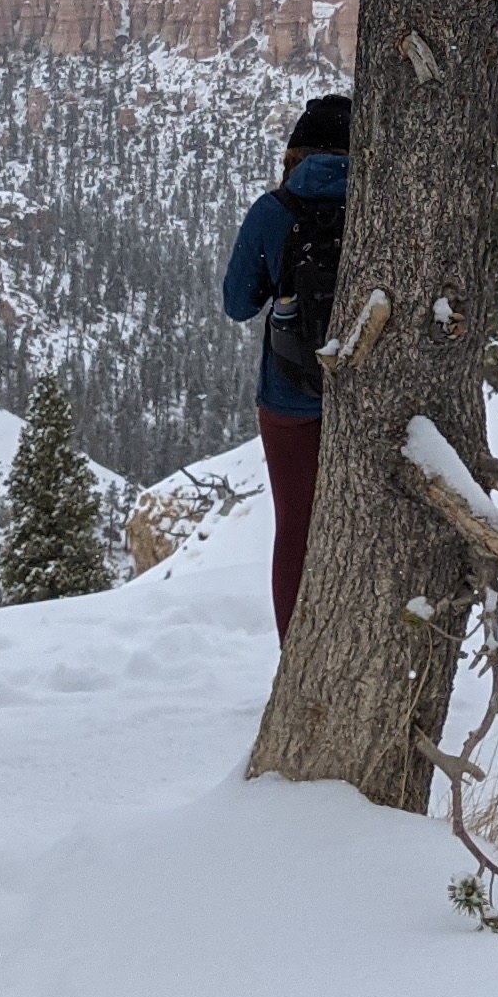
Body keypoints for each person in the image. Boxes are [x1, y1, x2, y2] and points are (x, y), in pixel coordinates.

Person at [221, 92, 350, 639]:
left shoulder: (275, 209)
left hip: (291, 396)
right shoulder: (390, 203)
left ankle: (296, 652)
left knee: (296, 529)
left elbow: (237, 304)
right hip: (371, 394)